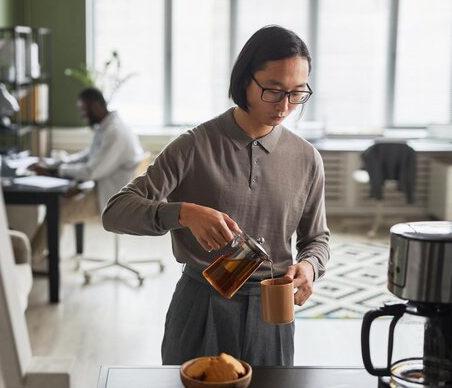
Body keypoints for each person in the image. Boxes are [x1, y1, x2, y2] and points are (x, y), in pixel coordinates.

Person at [102, 25, 330, 366]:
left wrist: (310, 267)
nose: (285, 106)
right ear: (244, 81)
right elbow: (115, 213)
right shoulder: (193, 146)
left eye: (297, 93)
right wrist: (182, 213)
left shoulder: (306, 158)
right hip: (201, 305)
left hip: (273, 309)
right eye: (273, 90)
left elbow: (317, 239)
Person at [31, 87, 144, 226]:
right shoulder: (106, 127)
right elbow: (87, 155)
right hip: (101, 188)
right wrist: (55, 164)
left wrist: (56, 171)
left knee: (57, 211)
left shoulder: (115, 133)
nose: (81, 115)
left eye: (83, 110)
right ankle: (38, 248)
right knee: (59, 202)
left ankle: (28, 249)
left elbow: (92, 172)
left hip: (111, 197)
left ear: (96, 107)